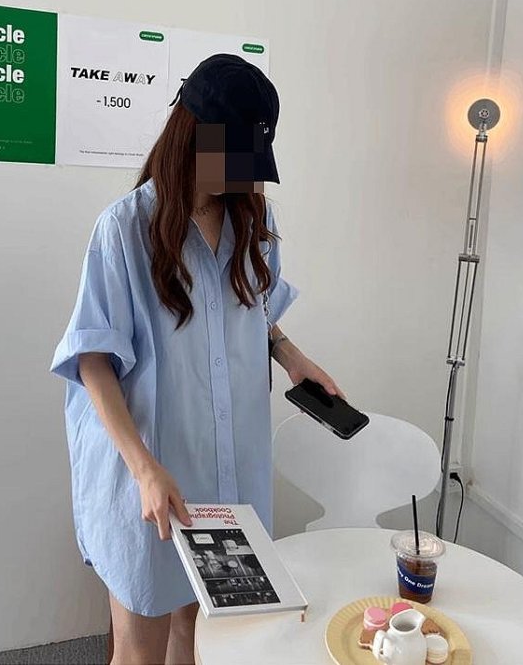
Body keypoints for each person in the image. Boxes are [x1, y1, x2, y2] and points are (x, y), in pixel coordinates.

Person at [49, 53, 344, 665]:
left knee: (201, 632)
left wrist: (291, 356)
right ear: (193, 135)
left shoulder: (254, 222)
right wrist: (144, 470)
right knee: (141, 648)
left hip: (227, 468)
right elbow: (92, 361)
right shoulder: (124, 230)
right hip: (150, 473)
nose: (242, 178)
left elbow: (254, 311)